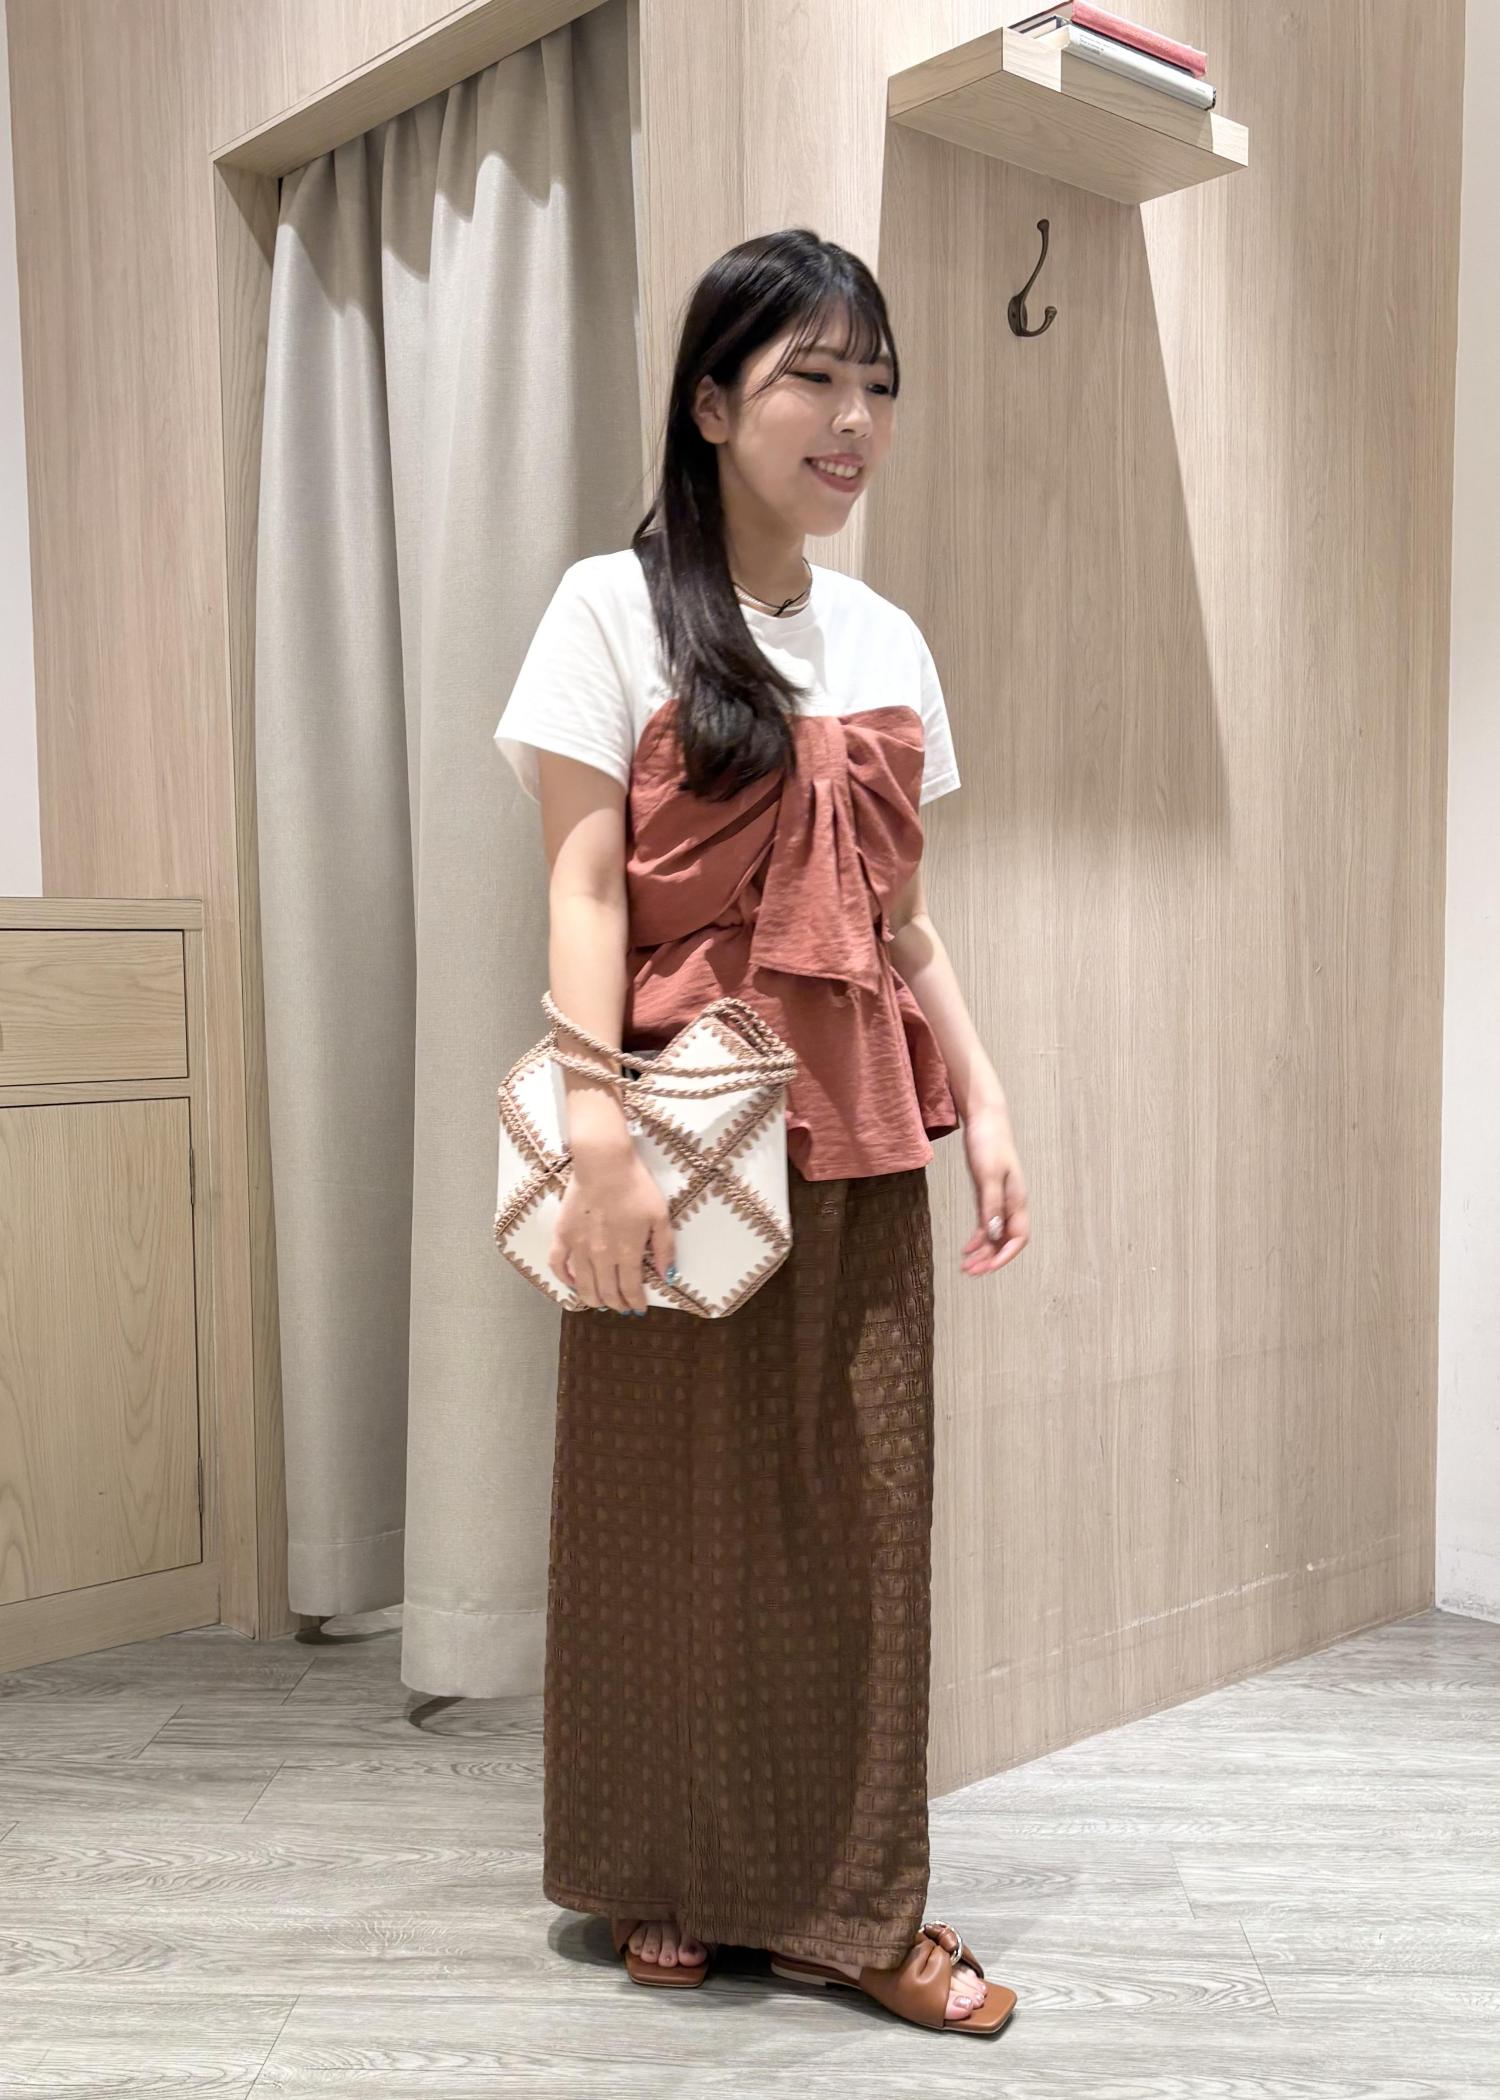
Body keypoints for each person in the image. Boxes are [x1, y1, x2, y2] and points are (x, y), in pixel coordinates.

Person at [493, 227, 1029, 2038]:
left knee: (860, 1527)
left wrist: (990, 1096)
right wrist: (596, 1129)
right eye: (813, 377)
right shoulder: (611, 609)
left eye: (878, 383)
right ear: (713, 403)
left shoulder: (888, 642)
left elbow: (901, 922)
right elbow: (584, 887)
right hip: (677, 1142)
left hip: (861, 1136)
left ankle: (856, 1911)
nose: (853, 417)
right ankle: (668, 1875)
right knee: (663, 1517)